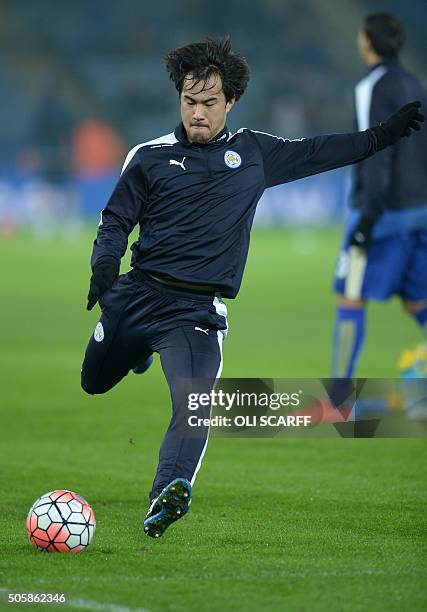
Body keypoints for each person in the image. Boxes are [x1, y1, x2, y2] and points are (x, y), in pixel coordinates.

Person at [80, 37, 423, 538]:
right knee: (92, 382)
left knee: (194, 404)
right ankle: (137, 353)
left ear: (230, 102)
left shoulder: (254, 153)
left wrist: (382, 136)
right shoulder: (149, 157)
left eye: (209, 103)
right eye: (190, 102)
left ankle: (168, 493)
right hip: (136, 297)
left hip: (194, 314)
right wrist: (105, 263)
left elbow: (319, 151)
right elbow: (115, 220)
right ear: (180, 99)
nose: (198, 113)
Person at [332, 14, 427, 383]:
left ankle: (338, 401)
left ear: (367, 41)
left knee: (350, 296)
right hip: (420, 210)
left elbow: (375, 150)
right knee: (418, 300)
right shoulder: (416, 83)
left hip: (382, 211)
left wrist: (366, 219)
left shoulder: (372, 86)